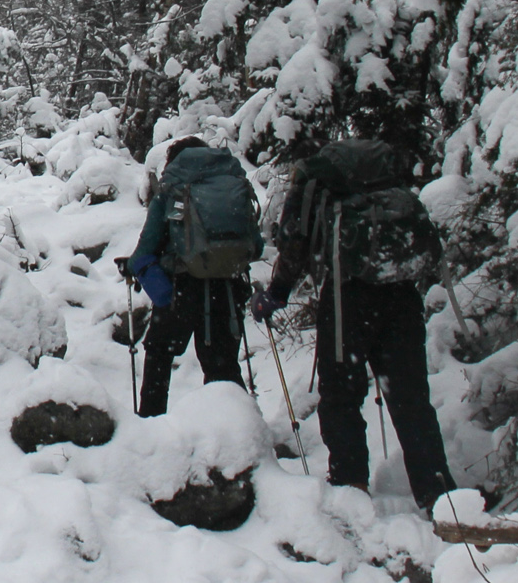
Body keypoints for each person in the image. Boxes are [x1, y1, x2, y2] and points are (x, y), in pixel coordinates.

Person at [254, 136, 456, 507]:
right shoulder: (385, 180)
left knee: (341, 395)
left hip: (347, 297)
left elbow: (293, 242)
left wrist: (278, 293)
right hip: (401, 293)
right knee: (411, 398)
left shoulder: (318, 184)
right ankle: (438, 493)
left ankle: (351, 487)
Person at [122, 136, 260, 415]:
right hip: (228, 290)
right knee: (223, 366)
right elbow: (255, 247)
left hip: (181, 291)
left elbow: (145, 249)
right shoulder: (233, 186)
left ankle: (152, 422)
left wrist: (136, 267)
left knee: (159, 353)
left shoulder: (173, 190)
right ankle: (235, 430)